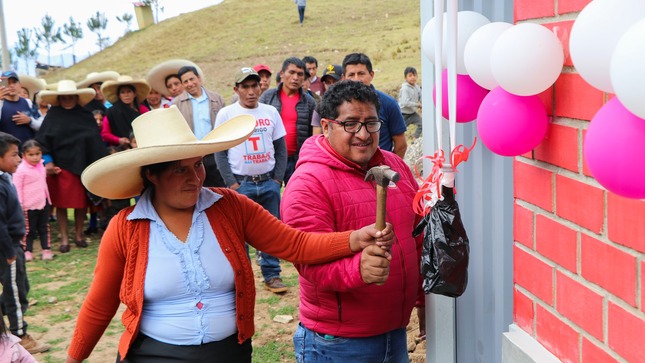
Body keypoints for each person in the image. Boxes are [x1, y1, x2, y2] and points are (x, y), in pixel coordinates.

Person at [65, 106, 393, 363]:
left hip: (228, 356)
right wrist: (73, 359)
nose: (194, 177)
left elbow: (294, 244)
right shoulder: (126, 227)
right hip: (153, 356)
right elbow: (100, 303)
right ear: (151, 174)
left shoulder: (230, 207)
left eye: (198, 165)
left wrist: (353, 239)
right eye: (180, 170)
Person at [282, 81, 424, 363]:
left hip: (395, 333)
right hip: (339, 343)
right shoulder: (308, 183)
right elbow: (307, 260)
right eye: (350, 124)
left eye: (371, 123)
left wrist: (422, 300)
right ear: (325, 126)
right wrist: (357, 269)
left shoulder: (395, 166)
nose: (363, 134)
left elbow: (417, 237)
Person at [214, 68, 289, 294]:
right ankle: (242, 277)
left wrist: (277, 179)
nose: (250, 91)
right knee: (238, 232)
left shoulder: (271, 112)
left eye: (254, 85)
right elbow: (220, 151)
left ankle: (272, 274)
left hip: (268, 182)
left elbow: (281, 148)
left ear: (260, 87)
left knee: (270, 230)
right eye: (245, 87)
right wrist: (232, 183)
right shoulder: (226, 114)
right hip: (241, 184)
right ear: (236, 90)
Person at [35, 80, 108, 253]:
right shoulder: (53, 116)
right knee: (61, 204)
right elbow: (42, 141)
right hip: (60, 168)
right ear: (59, 99)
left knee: (81, 204)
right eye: (63, 97)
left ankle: (79, 235)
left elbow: (95, 142)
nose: (67, 100)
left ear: (76, 97)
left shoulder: (86, 116)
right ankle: (64, 237)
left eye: (70, 97)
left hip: (82, 165)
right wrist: (49, 161)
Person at [0, 132, 50, 354]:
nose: (19, 159)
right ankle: (20, 335)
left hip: (13, 245)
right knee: (15, 290)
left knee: (21, 287)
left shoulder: (5, 177)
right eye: (13, 155)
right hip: (6, 248)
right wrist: (9, 250)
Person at [259, 57, 316, 185]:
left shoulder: (309, 102)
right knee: (271, 197)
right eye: (291, 72)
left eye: (300, 74)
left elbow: (314, 134)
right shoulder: (267, 97)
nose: (295, 78)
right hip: (272, 159)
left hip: (298, 160)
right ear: (282, 74)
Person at [342, 53, 408, 158]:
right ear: (343, 78)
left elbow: (401, 145)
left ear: (371, 75)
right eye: (351, 75)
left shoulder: (389, 104)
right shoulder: (337, 105)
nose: (356, 79)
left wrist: (389, 168)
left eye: (361, 73)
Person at [172, 65, 227, 188]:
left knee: (220, 190)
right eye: (185, 81)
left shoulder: (216, 99)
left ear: (199, 78)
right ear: (182, 84)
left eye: (192, 79)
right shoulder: (176, 104)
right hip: (192, 156)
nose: (190, 84)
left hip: (215, 153)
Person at [13, 139, 52, 261]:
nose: (35, 157)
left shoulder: (42, 165)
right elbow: (17, 188)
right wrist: (20, 204)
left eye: (37, 154)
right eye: (31, 155)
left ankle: (46, 249)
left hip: (43, 202)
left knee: (44, 227)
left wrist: (48, 200)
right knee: (29, 230)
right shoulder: (20, 170)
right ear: (23, 155)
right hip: (28, 206)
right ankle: (27, 251)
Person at [100, 76, 151, 148]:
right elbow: (105, 133)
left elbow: (150, 127)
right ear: (119, 95)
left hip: (143, 145)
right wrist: (119, 140)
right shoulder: (111, 112)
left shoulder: (143, 109)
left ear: (135, 93)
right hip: (122, 149)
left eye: (129, 91)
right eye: (122, 92)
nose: (126, 95)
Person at [0, 71, 42, 148]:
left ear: (20, 85)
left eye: (14, 82)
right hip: (7, 154)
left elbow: (42, 125)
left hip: (29, 154)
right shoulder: (1, 104)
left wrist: (30, 121)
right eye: (7, 83)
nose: (11, 86)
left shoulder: (28, 102)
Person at [398, 66, 423, 139]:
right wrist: (417, 105)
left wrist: (423, 104)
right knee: (399, 131)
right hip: (403, 114)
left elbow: (420, 95)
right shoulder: (405, 89)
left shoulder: (417, 87)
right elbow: (405, 102)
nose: (413, 77)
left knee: (422, 124)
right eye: (410, 75)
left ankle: (414, 140)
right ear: (405, 78)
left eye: (414, 75)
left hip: (412, 113)